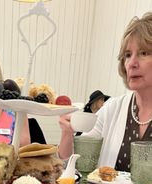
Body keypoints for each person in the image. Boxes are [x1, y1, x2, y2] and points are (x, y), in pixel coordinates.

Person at [58, 12, 152, 172]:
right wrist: (67, 133)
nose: (132, 63)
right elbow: (74, 161)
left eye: (144, 53)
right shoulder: (113, 108)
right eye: (128, 55)